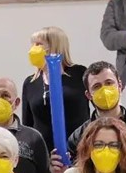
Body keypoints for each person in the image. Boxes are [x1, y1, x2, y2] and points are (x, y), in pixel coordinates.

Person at [21, 27, 91, 164]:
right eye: (33, 44)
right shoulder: (30, 83)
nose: (33, 49)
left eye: (39, 44)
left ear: (54, 46)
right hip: (45, 156)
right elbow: (27, 124)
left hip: (80, 151)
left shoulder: (79, 74)